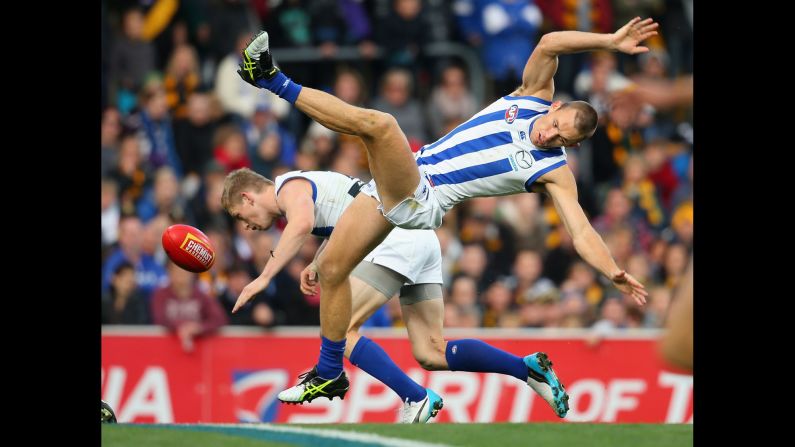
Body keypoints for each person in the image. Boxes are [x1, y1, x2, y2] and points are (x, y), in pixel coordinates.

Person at [236, 17, 656, 415]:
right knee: (350, 288)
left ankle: (270, 78)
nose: (551, 134)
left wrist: (612, 270)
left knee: (380, 125)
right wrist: (609, 41)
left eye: (563, 138)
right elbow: (549, 43)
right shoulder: (532, 96)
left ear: (573, 146)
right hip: (399, 195)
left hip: (421, 195)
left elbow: (580, 231)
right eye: (556, 123)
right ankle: (526, 369)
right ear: (555, 103)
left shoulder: (554, 171)